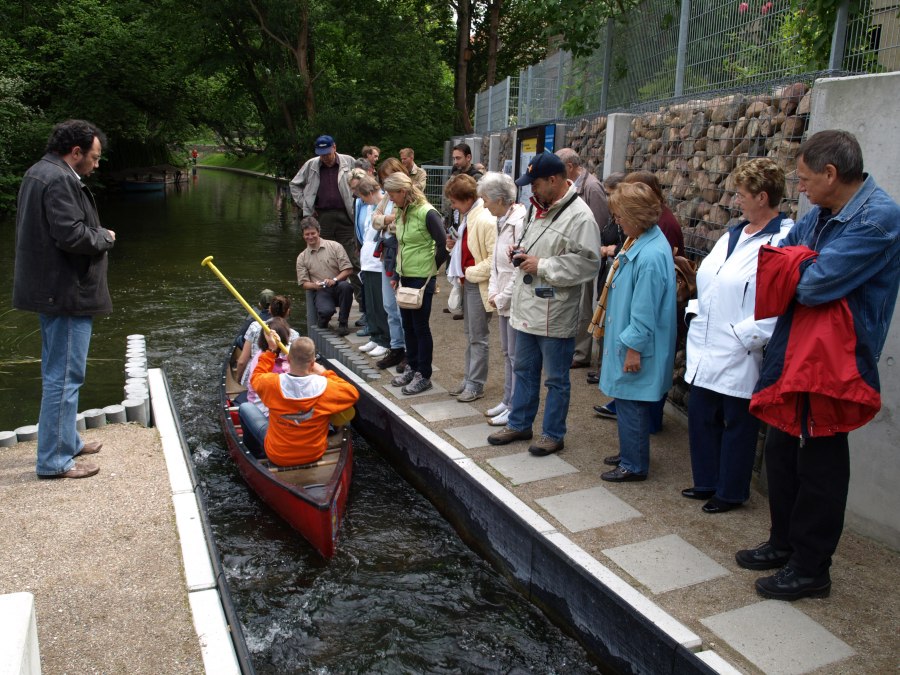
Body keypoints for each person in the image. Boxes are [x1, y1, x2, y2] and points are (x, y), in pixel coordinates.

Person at [736, 130, 900, 601]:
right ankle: (783, 543)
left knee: (822, 463)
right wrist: (798, 266)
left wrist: (797, 266)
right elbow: (778, 263)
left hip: (836, 362)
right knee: (784, 452)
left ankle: (811, 568)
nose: (800, 189)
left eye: (806, 179)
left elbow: (811, 286)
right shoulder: (822, 213)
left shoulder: (879, 218)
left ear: (831, 174)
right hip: (798, 351)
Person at [683, 158, 794, 513]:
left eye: (742, 194)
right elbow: (711, 279)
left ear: (763, 197)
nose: (736, 201)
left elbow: (782, 299)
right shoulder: (733, 234)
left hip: (743, 347)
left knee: (736, 422)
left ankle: (730, 491)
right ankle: (706, 481)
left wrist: (750, 335)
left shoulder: (783, 238)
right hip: (708, 340)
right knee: (700, 412)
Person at [13, 119, 115, 479]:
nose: (96, 164)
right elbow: (71, 235)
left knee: (58, 370)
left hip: (53, 290)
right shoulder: (58, 179)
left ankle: (66, 441)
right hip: (66, 292)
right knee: (65, 375)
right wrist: (104, 236)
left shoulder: (41, 172)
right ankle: (55, 461)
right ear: (76, 152)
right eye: (94, 157)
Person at [486, 151, 601, 456]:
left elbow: (589, 265)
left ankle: (552, 433)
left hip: (554, 312)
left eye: (535, 183)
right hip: (527, 309)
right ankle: (520, 422)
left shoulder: (580, 216)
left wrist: (543, 265)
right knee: (523, 369)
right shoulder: (541, 208)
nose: (531, 190)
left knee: (556, 379)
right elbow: (539, 248)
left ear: (553, 180)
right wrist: (520, 251)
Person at [598, 183, 677, 482]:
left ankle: (633, 463)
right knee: (629, 400)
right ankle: (631, 453)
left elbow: (644, 311)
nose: (617, 220)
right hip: (634, 338)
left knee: (631, 402)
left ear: (635, 215)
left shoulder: (650, 254)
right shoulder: (646, 242)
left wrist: (633, 348)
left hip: (637, 343)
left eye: (620, 215)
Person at [240, 336, 359, 466]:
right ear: (313, 363)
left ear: (289, 360)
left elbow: (256, 376)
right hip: (314, 454)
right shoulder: (327, 387)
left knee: (245, 407)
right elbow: (352, 393)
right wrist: (325, 372)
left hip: (277, 455)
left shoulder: (271, 383)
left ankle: (255, 455)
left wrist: (271, 351)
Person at [384, 172, 448, 395]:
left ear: (403, 192)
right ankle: (411, 366)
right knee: (407, 325)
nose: (390, 199)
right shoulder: (402, 210)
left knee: (420, 326)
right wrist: (397, 275)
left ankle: (424, 374)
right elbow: (400, 245)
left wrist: (431, 270)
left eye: (392, 194)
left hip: (422, 278)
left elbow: (443, 245)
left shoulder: (427, 212)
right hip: (405, 275)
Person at [289, 135, 361, 305]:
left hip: (347, 217)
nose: (325, 157)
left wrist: (358, 202)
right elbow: (294, 184)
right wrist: (306, 205)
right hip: (322, 217)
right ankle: (325, 302)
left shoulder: (348, 161)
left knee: (353, 261)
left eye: (327, 153)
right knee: (322, 260)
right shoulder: (312, 164)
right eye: (321, 154)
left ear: (334, 147)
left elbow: (364, 181)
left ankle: (362, 303)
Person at [444, 174, 497, 403]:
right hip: (470, 280)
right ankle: (470, 378)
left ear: (465, 199)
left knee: (478, 336)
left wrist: (469, 272)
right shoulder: (471, 216)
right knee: (471, 334)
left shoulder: (483, 219)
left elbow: (493, 258)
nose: (453, 206)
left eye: (454, 202)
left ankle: (476, 383)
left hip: (476, 281)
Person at [556, 148, 609, 369]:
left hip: (586, 255)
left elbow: (598, 223)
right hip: (574, 255)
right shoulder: (580, 184)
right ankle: (576, 350)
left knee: (584, 305)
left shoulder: (592, 187)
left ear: (569, 166)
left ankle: (581, 353)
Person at [483, 172, 528, 426]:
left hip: (512, 299)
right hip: (501, 297)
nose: (485, 204)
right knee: (506, 353)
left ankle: (514, 405)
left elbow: (518, 267)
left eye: (486, 199)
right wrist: (493, 291)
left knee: (516, 356)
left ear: (499, 199)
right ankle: (507, 400)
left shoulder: (518, 222)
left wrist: (502, 296)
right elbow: (496, 264)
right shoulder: (502, 220)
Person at [370, 159, 410, 370]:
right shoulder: (386, 198)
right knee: (389, 305)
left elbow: (401, 222)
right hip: (386, 253)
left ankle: (408, 351)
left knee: (403, 304)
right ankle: (396, 347)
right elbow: (374, 219)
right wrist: (388, 219)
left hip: (400, 254)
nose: (384, 183)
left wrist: (386, 220)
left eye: (387, 177)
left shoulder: (410, 195)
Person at [354, 175, 393, 360]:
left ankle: (385, 340)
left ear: (369, 192)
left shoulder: (386, 204)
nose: (362, 201)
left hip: (378, 263)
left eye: (363, 197)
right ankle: (375, 336)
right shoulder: (371, 207)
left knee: (380, 303)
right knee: (370, 303)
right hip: (368, 262)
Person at [296, 217, 355, 335]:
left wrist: (334, 280)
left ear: (318, 232)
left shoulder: (335, 246)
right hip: (321, 290)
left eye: (313, 233)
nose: (310, 237)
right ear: (303, 235)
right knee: (326, 311)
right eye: (307, 234)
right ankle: (323, 319)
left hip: (338, 285)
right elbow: (304, 283)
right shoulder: (302, 257)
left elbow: (348, 270)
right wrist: (315, 285)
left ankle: (343, 323)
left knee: (346, 287)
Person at [235, 295, 299, 387]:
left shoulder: (255, 327)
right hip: (280, 382)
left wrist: (238, 379)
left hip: (254, 377)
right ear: (288, 311)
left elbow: (242, 361)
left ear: (270, 309)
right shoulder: (294, 335)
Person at [244, 318, 292, 423]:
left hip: (279, 411)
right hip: (265, 411)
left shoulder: (291, 355)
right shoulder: (260, 359)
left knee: (244, 407)